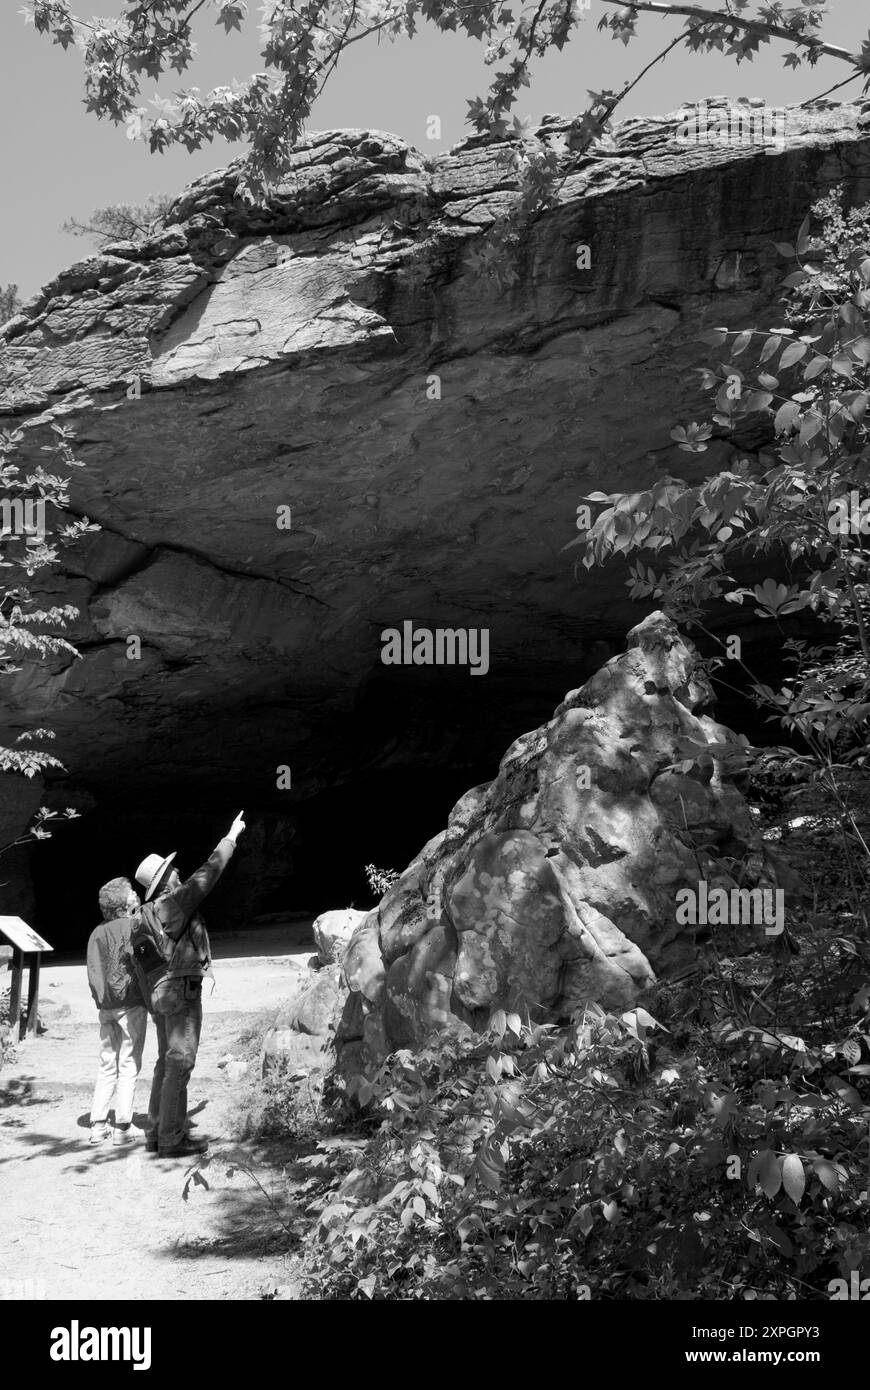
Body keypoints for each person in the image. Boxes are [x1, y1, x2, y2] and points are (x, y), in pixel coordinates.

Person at [136, 812, 246, 1159]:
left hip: (159, 992)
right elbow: (207, 874)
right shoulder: (172, 903)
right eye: (173, 872)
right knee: (181, 1062)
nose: (178, 873)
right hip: (180, 992)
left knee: (165, 1063)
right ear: (164, 881)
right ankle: (171, 1138)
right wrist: (231, 836)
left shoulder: (146, 912)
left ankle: (156, 1132)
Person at [86, 877, 146, 1148]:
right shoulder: (133, 926)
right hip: (131, 1003)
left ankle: (98, 1125)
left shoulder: (96, 933)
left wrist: (100, 1000)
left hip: (106, 1007)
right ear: (124, 903)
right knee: (129, 1062)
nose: (136, 894)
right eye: (132, 892)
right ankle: (123, 1125)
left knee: (107, 1063)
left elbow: (92, 970)